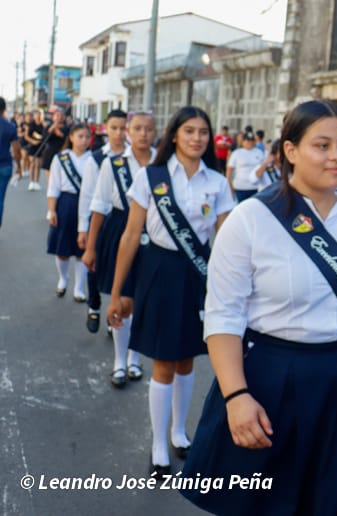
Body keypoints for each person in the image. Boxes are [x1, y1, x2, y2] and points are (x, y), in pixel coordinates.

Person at [180, 99, 337, 516]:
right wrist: (236, 395)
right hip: (271, 378)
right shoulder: (252, 219)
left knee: (329, 500)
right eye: (322, 145)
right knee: (260, 504)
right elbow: (224, 316)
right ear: (290, 151)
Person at [106, 106, 234, 475]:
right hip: (159, 271)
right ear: (174, 135)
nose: (197, 138)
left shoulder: (218, 183)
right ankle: (159, 443)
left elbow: (226, 240)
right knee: (163, 359)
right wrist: (117, 291)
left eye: (203, 132)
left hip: (198, 275)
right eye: (189, 131)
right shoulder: (152, 177)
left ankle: (179, 431)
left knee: (187, 358)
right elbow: (131, 235)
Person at [84, 111, 157, 388]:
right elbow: (99, 205)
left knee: (140, 299)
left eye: (148, 129)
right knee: (122, 300)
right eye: (137, 128)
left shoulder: (162, 166)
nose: (143, 134)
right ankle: (119, 360)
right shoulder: (113, 164)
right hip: (120, 231)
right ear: (128, 131)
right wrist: (90, 247)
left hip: (153, 234)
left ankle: (134, 357)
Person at [78, 109, 128, 333]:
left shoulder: (135, 156)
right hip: (100, 219)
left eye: (122, 128)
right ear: (105, 128)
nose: (118, 133)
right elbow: (87, 196)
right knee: (95, 264)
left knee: (121, 268)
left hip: (124, 220)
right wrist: (83, 228)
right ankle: (94, 306)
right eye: (114, 128)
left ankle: (114, 311)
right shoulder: (97, 158)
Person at [46, 123, 93, 301]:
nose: (84, 140)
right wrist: (52, 210)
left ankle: (79, 288)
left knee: (83, 249)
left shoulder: (93, 159)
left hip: (86, 204)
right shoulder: (61, 158)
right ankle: (63, 279)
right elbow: (54, 187)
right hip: (66, 204)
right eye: (80, 136)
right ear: (71, 137)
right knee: (63, 247)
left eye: (87, 137)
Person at [0, 98, 22, 229]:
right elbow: (16, 149)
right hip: (5, 166)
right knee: (0, 198)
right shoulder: (10, 127)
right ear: (4, 109)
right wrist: (19, 166)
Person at [227, 130, 265, 202]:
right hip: (240, 188)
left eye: (252, 140)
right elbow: (229, 171)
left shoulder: (259, 152)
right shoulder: (236, 153)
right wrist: (230, 187)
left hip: (256, 188)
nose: (250, 142)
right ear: (243, 141)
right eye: (247, 140)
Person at [41, 109, 69, 187]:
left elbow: (63, 136)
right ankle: (51, 187)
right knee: (48, 169)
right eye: (57, 116)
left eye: (61, 116)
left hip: (62, 152)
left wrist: (56, 129)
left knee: (61, 170)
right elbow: (45, 137)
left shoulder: (67, 128)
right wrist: (53, 126)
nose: (59, 117)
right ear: (53, 117)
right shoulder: (49, 127)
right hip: (49, 152)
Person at [25, 110, 44, 190]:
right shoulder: (31, 125)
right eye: (36, 115)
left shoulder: (43, 125)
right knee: (32, 163)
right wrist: (33, 141)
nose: (38, 116)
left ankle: (36, 182)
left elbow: (45, 134)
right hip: (32, 146)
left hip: (40, 146)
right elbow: (26, 136)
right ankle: (31, 182)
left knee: (38, 164)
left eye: (39, 115)